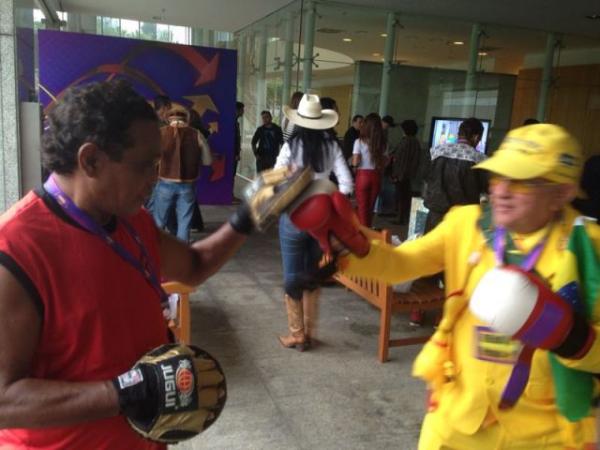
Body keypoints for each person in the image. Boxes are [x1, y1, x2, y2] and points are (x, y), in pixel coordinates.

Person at [0, 80, 303, 449]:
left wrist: (247, 217)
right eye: (145, 166)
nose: (154, 178)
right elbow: (5, 399)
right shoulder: (15, 249)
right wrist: (123, 393)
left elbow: (192, 265)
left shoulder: (131, 219)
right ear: (90, 160)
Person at [294, 123, 600, 449]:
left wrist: (569, 335)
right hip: (457, 418)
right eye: (498, 177)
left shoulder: (589, 250)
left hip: (540, 434)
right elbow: (402, 264)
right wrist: (351, 243)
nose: (502, 190)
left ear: (562, 193)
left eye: (522, 181)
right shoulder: (467, 224)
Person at [274, 93, 353, 350]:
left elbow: (275, 181)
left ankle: (296, 334)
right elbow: (347, 184)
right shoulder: (332, 147)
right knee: (312, 275)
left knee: (292, 275)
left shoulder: (290, 147)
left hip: (294, 219)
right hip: (322, 222)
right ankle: (309, 332)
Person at [153, 105, 211, 242]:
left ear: (169, 119)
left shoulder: (160, 133)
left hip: (164, 183)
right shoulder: (196, 134)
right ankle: (181, 252)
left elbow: (151, 159)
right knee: (184, 222)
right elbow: (208, 161)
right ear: (186, 119)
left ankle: (156, 251)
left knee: (159, 221)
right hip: (188, 184)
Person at [423, 117, 488, 232]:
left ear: (459, 134)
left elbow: (426, 180)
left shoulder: (435, 151)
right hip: (462, 221)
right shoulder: (480, 159)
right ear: (476, 137)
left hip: (435, 217)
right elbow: (485, 191)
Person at [352, 112, 387, 227]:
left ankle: (363, 236)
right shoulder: (382, 143)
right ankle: (368, 232)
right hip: (376, 176)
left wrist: (353, 166)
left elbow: (355, 161)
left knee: (362, 208)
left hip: (362, 175)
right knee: (370, 208)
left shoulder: (359, 141)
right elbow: (384, 162)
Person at [390, 119, 422, 225]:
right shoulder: (415, 141)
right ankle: (402, 216)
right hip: (408, 174)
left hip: (402, 174)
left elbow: (401, 160)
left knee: (402, 196)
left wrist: (397, 175)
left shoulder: (406, 141)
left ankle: (400, 218)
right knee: (405, 196)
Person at [234, 101, 244, 177]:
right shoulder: (231, 123)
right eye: (242, 109)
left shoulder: (236, 122)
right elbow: (233, 140)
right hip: (232, 155)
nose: (243, 112)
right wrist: (236, 154)